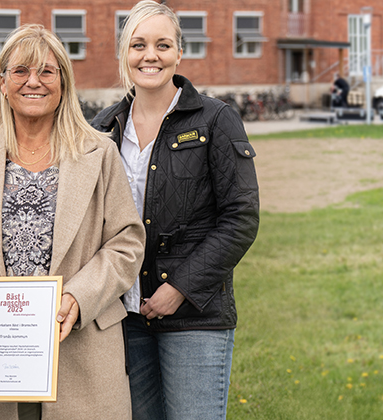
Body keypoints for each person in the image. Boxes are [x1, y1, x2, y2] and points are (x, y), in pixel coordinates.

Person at [0, 24, 145, 420]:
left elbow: (126, 241)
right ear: (3, 84)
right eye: (20, 71)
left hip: (82, 350)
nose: (33, 82)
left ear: (63, 84)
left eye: (47, 72)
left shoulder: (98, 152)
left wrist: (79, 297)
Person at [90, 2, 260, 419]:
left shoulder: (215, 120)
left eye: (163, 45)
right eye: (138, 45)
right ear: (124, 53)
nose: (150, 56)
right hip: (125, 317)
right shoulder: (102, 129)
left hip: (193, 316)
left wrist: (179, 287)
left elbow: (241, 217)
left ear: (179, 53)